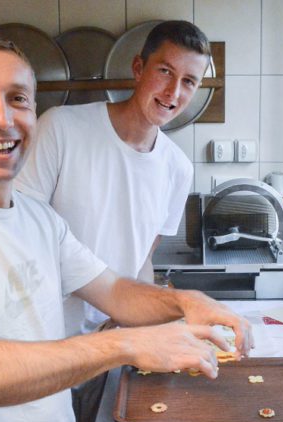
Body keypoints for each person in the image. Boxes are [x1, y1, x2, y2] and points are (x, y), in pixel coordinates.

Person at [0, 33, 252, 422]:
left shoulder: (39, 219)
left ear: (33, 112)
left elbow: (114, 291)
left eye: (18, 99)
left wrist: (185, 301)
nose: (2, 118)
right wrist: (125, 345)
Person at [15, 20, 211, 333]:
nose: (173, 92)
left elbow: (142, 261)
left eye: (188, 81)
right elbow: (21, 234)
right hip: (48, 333)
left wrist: (137, 320)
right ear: (138, 68)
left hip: (114, 338)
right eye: (165, 71)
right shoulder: (60, 128)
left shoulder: (178, 168)